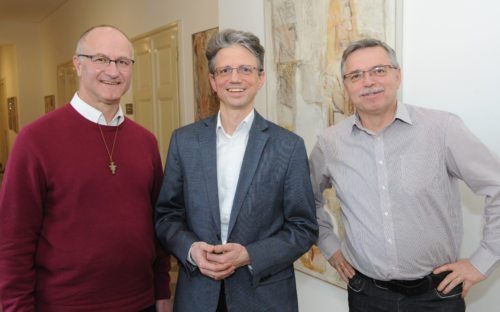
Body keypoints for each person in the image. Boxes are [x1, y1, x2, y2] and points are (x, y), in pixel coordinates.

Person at [310, 38, 500, 311]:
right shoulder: (330, 143)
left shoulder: (442, 129)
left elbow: (496, 184)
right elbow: (306, 201)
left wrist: (484, 259)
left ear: (397, 76)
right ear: (346, 85)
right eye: (356, 75)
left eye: (379, 70)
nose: (368, 82)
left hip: (436, 295)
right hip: (366, 295)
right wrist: (330, 245)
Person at [0, 25, 172, 311]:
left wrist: (162, 290)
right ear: (78, 64)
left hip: (140, 302)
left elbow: (157, 226)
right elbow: (12, 240)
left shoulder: (146, 142)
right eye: (101, 59)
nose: (113, 71)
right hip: (64, 304)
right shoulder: (35, 140)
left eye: (122, 62)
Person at [155, 29, 318, 312]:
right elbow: (167, 215)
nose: (235, 78)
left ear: (260, 78)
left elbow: (303, 228)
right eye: (225, 70)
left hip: (263, 296)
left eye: (245, 69)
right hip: (198, 295)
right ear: (213, 81)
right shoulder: (184, 141)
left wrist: (249, 254)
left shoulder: (288, 146)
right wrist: (192, 250)